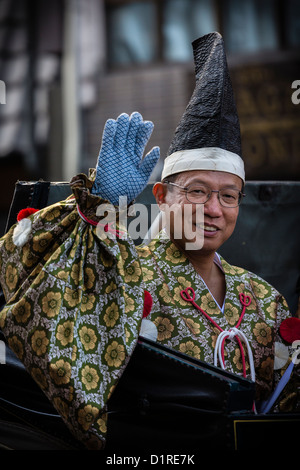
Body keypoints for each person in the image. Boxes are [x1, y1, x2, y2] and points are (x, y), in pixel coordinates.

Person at [0, 32, 298, 450]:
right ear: (161, 196)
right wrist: (97, 207)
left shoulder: (267, 301)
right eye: (196, 191)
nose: (213, 208)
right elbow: (24, 279)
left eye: (228, 195)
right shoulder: (120, 272)